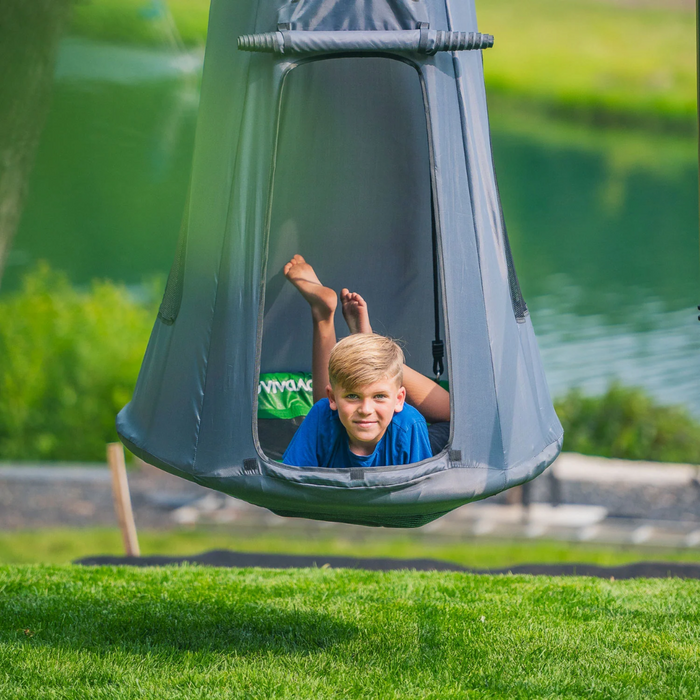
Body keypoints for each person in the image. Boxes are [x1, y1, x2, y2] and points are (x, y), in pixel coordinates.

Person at [281, 254, 450, 468]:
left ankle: (352, 332)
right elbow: (294, 479)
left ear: (400, 399)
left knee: (457, 420)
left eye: (379, 397)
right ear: (331, 397)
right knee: (326, 412)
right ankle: (360, 340)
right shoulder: (324, 412)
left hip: (399, 429)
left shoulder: (408, 424)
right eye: (354, 396)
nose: (365, 409)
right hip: (333, 415)